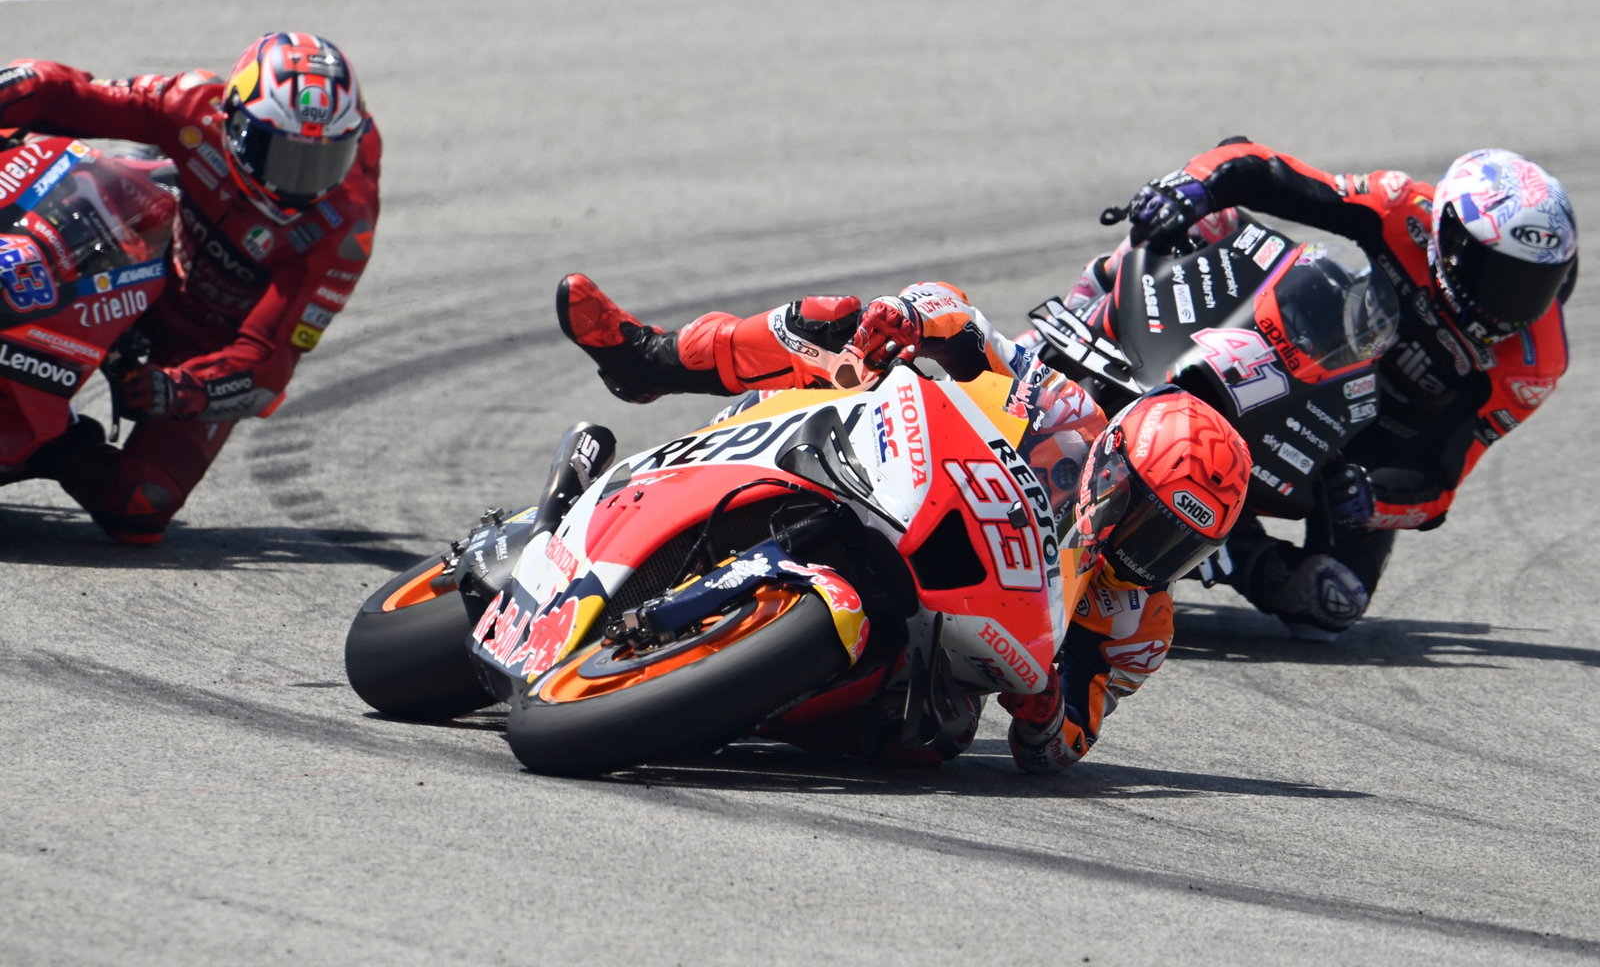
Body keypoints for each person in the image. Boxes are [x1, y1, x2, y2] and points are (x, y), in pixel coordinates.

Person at [557, 273, 1251, 772]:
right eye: (1149, 524)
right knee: (835, 320)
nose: (1149, 557)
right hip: (900, 478)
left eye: (1180, 550)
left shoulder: (1141, 628)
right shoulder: (1068, 413)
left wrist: (1044, 716)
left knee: (930, 738)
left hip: (942, 634)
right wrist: (908, 317)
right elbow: (966, 322)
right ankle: (644, 359)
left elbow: (1066, 745)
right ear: (1112, 469)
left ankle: (728, 697)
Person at [1097, 138, 1575, 639]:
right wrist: (1193, 184)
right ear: (1448, 234)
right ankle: (1089, 314)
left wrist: (1372, 496)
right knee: (1205, 220)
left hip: (1352, 448)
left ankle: (1229, 546)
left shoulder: (1531, 366)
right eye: (1497, 274)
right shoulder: (1400, 208)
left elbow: (1440, 479)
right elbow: (1266, 171)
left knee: (1330, 597)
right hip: (1297, 351)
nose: (1511, 305)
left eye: (1535, 283)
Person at [0, 32, 381, 543]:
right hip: (137, 250)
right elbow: (68, 94)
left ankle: (46, 444)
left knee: (142, 503)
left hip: (205, 343)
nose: (302, 184)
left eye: (323, 161)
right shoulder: (193, 104)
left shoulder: (341, 231)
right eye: (282, 154)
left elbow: (265, 365)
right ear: (235, 121)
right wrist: (22, 85)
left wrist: (179, 389)